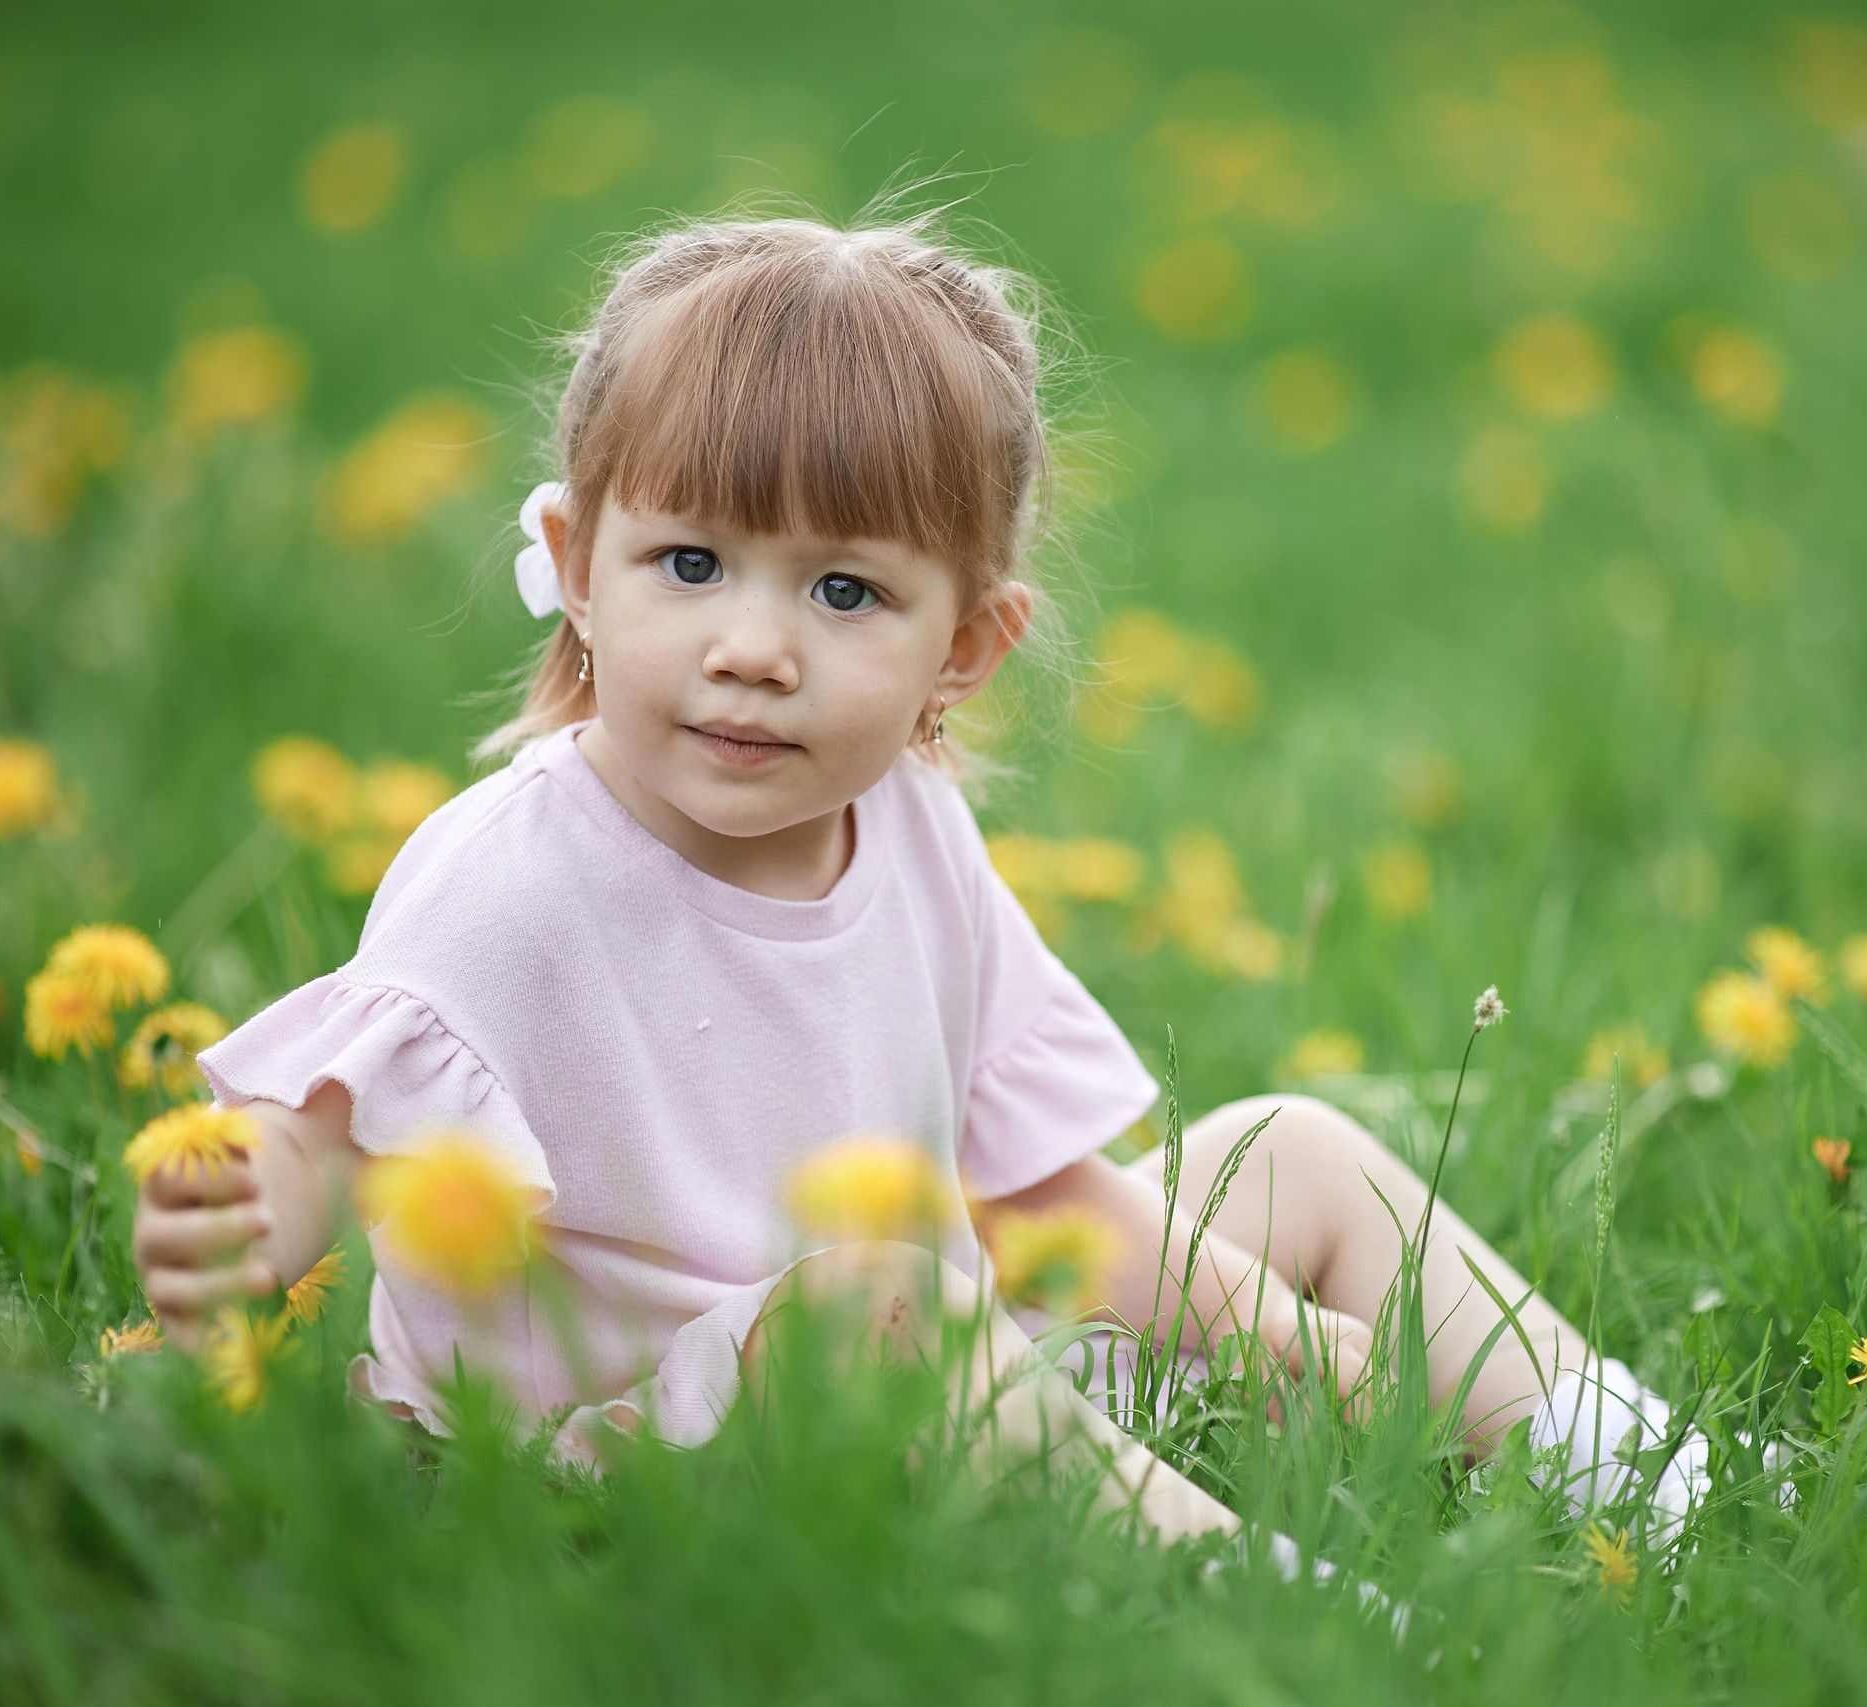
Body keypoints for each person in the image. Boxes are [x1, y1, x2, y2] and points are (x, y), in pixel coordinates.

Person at [128, 208, 1703, 1548]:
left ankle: (1643, 1473)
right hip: (611, 1474)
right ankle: (1274, 1604)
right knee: (879, 1298)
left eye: (843, 589)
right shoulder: (515, 883)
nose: (754, 645)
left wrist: (1324, 1359)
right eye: (691, 563)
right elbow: (350, 1126)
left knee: (1294, 1151)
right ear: (577, 556)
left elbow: (1041, 1207)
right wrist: (265, 1189)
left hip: (933, 1374)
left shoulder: (914, 832)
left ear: (964, 645)